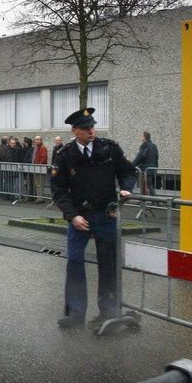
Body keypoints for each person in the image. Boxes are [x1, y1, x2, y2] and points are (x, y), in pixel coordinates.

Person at [50, 107, 136, 330]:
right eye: (86, 128)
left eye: (93, 127)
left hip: (106, 215)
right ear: (75, 130)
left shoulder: (109, 148)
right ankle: (75, 314)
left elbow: (127, 171)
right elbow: (59, 190)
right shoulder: (65, 155)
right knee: (75, 261)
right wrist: (72, 216)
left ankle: (108, 311)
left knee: (108, 263)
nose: (92, 131)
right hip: (80, 218)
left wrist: (126, 189)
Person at [131, 131, 159, 196]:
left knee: (148, 184)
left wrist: (132, 165)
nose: (141, 138)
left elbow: (140, 156)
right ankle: (143, 201)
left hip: (145, 169)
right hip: (152, 168)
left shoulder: (145, 145)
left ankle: (154, 200)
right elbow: (157, 157)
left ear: (145, 137)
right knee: (145, 184)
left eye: (142, 136)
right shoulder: (154, 146)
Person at [32, 136, 49, 203]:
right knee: (37, 183)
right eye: (35, 140)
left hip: (40, 168)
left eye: (37, 140)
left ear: (41, 140)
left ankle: (40, 198)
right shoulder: (37, 148)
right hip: (37, 167)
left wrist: (39, 165)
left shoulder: (42, 148)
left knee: (40, 183)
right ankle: (38, 197)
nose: (36, 141)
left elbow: (44, 158)